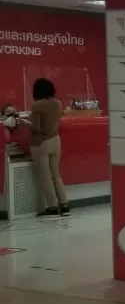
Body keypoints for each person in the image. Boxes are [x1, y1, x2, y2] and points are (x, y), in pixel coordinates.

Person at [29, 79, 69, 217]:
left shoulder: (36, 105)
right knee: (55, 173)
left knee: (45, 175)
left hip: (41, 143)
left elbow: (36, 128)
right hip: (55, 140)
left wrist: (25, 122)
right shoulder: (58, 103)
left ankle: (52, 206)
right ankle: (64, 203)